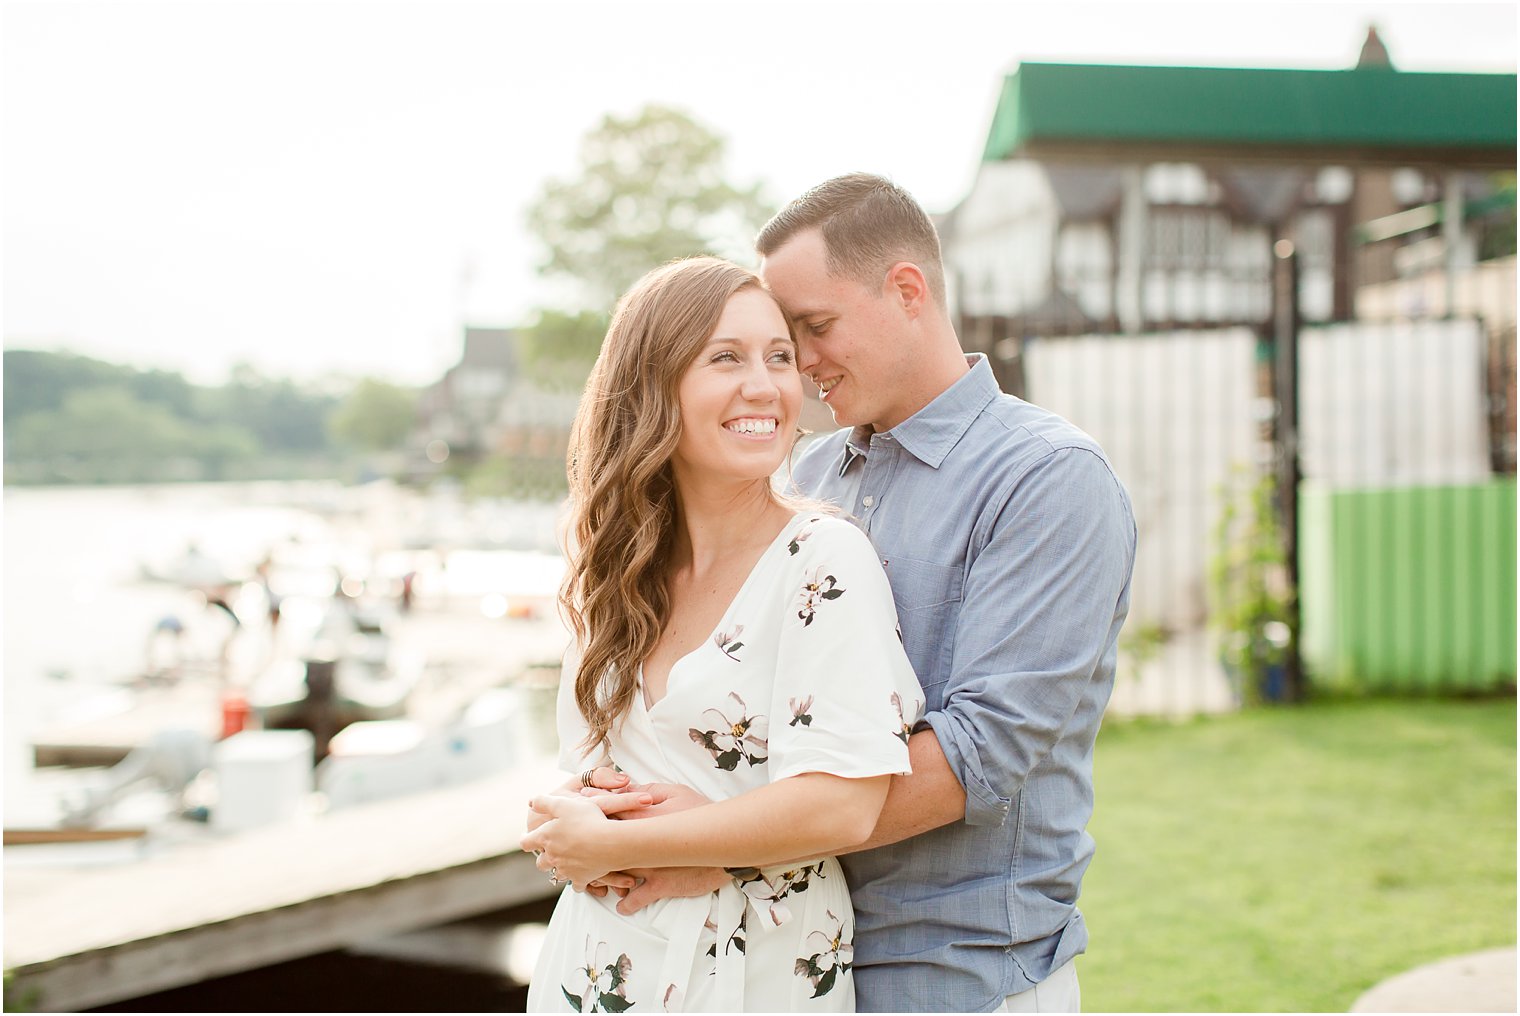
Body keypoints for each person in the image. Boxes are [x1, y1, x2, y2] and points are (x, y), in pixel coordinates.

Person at [579, 174, 1137, 1013]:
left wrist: (713, 845)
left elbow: (977, 754)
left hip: (954, 971)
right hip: (784, 959)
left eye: (814, 327)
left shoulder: (1048, 481)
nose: (799, 363)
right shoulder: (807, 472)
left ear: (906, 290)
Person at [519, 255, 926, 1012]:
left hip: (752, 973)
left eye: (779, 357)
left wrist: (619, 844)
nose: (767, 384)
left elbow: (842, 804)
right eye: (725, 358)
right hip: (600, 964)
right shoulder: (611, 569)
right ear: (652, 385)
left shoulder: (819, 561)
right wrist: (569, 814)